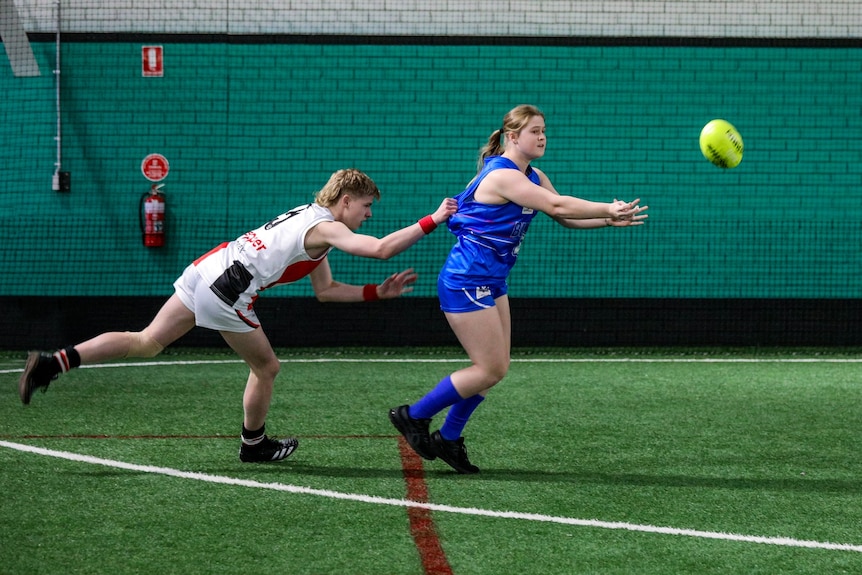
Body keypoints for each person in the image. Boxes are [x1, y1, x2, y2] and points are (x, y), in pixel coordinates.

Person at [20, 168, 458, 463]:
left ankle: (53, 362)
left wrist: (375, 294)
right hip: (227, 289)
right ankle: (254, 445)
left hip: (205, 269)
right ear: (345, 200)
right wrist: (434, 219)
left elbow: (325, 291)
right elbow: (380, 249)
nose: (368, 214)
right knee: (266, 366)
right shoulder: (326, 227)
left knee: (147, 340)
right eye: (366, 206)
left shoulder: (310, 222)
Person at [388, 105, 648, 474]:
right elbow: (558, 204)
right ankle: (413, 416)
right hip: (465, 280)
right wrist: (609, 205)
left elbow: (561, 215)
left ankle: (448, 439)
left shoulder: (534, 175)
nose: (542, 137)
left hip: (492, 280)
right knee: (490, 368)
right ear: (513, 137)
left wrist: (607, 220)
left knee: (496, 368)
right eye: (534, 131)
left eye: (544, 131)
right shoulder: (502, 176)